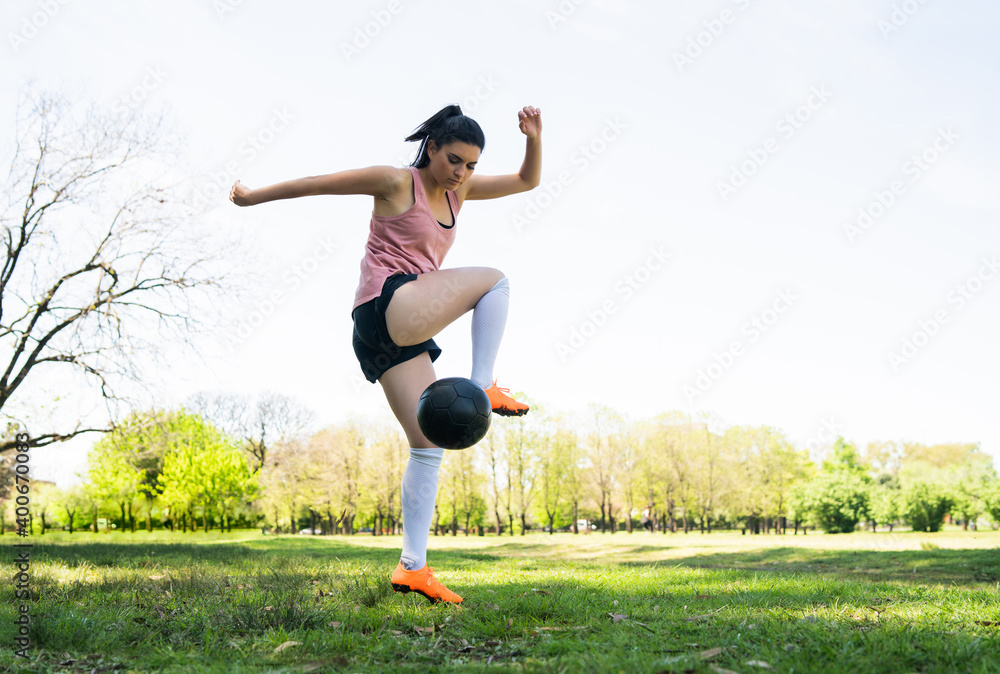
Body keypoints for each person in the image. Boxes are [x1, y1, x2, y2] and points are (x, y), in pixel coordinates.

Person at [230, 104, 542, 604]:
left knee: (427, 444)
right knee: (495, 282)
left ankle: (411, 568)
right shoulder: (397, 182)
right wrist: (252, 197)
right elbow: (320, 182)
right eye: (454, 160)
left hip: (387, 333)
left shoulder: (459, 192)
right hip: (388, 301)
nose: (461, 173)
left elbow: (528, 181)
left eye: (471, 166)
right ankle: (484, 382)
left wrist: (534, 136)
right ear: (432, 148)